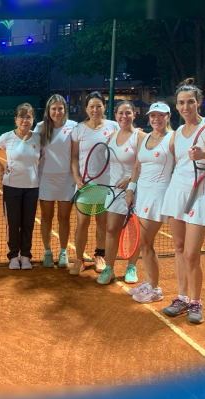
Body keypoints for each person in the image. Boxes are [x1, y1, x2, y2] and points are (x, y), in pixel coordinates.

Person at [160, 78, 205, 324]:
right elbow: (179, 165)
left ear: (198, 102)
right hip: (177, 192)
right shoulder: (177, 133)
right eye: (181, 103)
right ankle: (182, 298)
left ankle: (196, 301)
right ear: (176, 106)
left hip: (200, 196)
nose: (185, 107)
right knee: (178, 248)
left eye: (190, 102)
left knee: (191, 254)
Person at [126, 102, 175, 303]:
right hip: (142, 194)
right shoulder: (144, 137)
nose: (156, 119)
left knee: (145, 242)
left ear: (168, 116)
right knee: (145, 243)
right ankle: (149, 282)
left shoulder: (173, 138)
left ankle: (155, 289)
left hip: (158, 195)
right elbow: (137, 167)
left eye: (161, 115)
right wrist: (130, 189)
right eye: (153, 115)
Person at [70, 91, 119, 275]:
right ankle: (79, 260)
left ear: (104, 107)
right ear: (86, 109)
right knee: (82, 223)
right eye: (91, 106)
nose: (95, 110)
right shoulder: (78, 129)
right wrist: (77, 178)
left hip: (106, 185)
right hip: (85, 186)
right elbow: (74, 157)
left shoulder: (113, 126)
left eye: (99, 106)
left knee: (102, 223)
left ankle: (100, 256)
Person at [0, 103, 41, 270]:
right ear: (16, 119)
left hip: (32, 187)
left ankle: (25, 256)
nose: (25, 120)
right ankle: (13, 256)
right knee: (13, 222)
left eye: (28, 117)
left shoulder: (38, 137)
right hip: (11, 187)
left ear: (33, 119)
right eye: (21, 117)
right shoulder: (7, 137)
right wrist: (1, 168)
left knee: (28, 223)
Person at [96, 101, 145, 285]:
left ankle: (131, 267)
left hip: (135, 190)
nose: (124, 116)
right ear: (115, 115)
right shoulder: (112, 136)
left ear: (134, 114)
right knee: (111, 229)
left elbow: (144, 164)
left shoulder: (140, 137)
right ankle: (109, 268)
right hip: (114, 191)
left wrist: (130, 180)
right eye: (120, 113)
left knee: (134, 231)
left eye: (128, 113)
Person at [34, 94, 77, 268]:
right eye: (54, 109)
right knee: (46, 217)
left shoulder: (74, 126)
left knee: (64, 218)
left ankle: (63, 252)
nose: (57, 112)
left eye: (60, 108)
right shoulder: (40, 127)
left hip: (67, 179)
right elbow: (31, 149)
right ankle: (47, 252)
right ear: (48, 110)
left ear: (65, 110)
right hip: (46, 179)